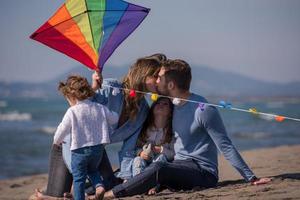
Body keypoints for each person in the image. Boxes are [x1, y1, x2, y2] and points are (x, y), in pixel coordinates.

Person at [104, 59, 272, 198]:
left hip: (202, 172)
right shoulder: (173, 107)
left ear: (170, 85)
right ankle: (92, 190)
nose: (156, 81)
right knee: (123, 172)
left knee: (159, 168)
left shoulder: (203, 109)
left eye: (159, 77)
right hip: (177, 165)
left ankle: (112, 195)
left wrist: (251, 178)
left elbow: (225, 146)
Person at [34, 54, 167, 199]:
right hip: (69, 146)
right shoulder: (109, 89)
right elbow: (76, 108)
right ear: (144, 75)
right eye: (156, 76)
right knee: (59, 193)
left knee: (110, 185)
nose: (160, 81)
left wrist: (129, 179)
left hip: (96, 151)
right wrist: (94, 89)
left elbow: (127, 151)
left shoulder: (143, 112)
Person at [54, 75, 119, 200]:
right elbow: (114, 118)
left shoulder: (72, 111)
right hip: (97, 150)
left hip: (80, 151)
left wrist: (56, 141)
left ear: (72, 96)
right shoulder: (99, 108)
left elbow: (62, 129)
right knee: (92, 170)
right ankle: (99, 186)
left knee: (79, 179)